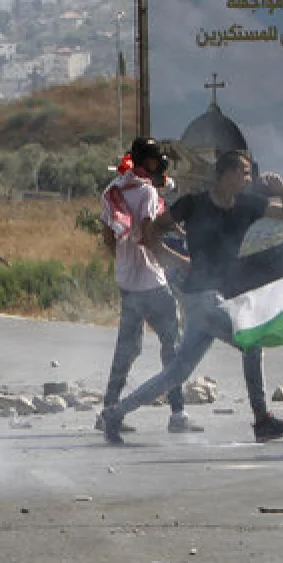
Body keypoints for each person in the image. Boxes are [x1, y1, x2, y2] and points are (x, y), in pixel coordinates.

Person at [100, 151, 283, 445]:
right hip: (201, 297)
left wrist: (282, 190)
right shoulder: (193, 204)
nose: (248, 179)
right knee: (251, 341)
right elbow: (151, 230)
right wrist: (172, 258)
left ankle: (116, 413)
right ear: (227, 174)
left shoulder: (248, 204)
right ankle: (261, 420)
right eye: (244, 173)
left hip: (212, 298)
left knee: (176, 373)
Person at [96, 138, 202, 435]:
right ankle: (178, 414)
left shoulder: (114, 189)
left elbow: (107, 236)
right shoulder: (146, 192)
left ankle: (108, 410)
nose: (162, 164)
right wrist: (181, 262)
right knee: (173, 346)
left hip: (128, 281)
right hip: (152, 282)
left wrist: (123, 262)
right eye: (158, 160)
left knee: (126, 349)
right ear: (148, 162)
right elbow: (148, 236)